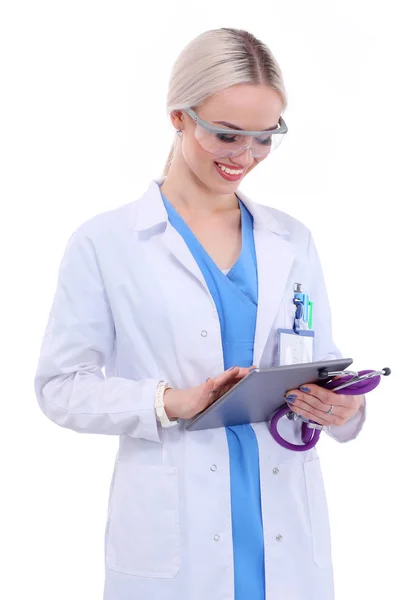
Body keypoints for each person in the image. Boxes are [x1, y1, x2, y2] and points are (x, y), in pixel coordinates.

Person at [34, 27, 366, 600]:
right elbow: (60, 387)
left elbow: (319, 366)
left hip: (282, 517)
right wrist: (167, 402)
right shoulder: (108, 242)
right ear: (179, 118)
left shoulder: (293, 240)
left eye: (265, 138)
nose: (245, 157)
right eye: (226, 135)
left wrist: (341, 406)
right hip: (175, 525)